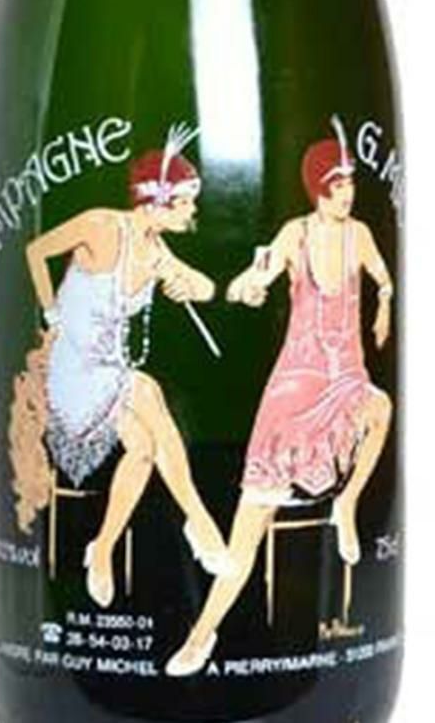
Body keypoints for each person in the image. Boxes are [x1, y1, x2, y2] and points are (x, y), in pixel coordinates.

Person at [166, 118, 395, 677]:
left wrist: (385, 304)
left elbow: (383, 276)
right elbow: (255, 279)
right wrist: (248, 286)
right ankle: (201, 634)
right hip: (295, 391)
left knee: (382, 409)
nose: (347, 193)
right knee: (249, 527)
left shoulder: (360, 235)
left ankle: (345, 504)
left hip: (345, 380)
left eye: (350, 184)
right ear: (319, 189)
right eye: (337, 185)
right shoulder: (296, 234)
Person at [11, 124, 230, 610]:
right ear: (157, 201)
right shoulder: (102, 226)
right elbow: (35, 252)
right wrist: (51, 316)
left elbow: (202, 285)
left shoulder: (154, 251)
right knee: (147, 391)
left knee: (145, 449)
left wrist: (191, 287)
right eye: (186, 203)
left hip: (110, 375)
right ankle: (200, 520)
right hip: (69, 371)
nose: (193, 212)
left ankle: (103, 549)